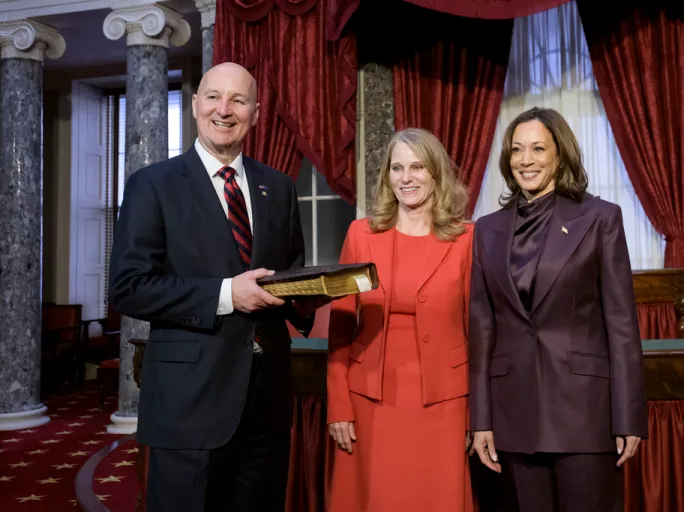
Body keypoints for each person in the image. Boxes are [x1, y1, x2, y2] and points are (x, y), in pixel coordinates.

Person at [109, 62, 324, 512]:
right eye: (213, 97)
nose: (224, 110)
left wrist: (312, 295)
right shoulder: (153, 184)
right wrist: (227, 294)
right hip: (188, 405)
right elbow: (129, 288)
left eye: (239, 100)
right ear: (194, 105)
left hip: (266, 406)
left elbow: (285, 276)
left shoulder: (279, 187)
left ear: (257, 113)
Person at [469, 107, 648, 512]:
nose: (525, 159)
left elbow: (621, 325)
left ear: (560, 155)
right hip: (513, 413)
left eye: (537, 148)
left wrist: (628, 418)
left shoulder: (601, 218)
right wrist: (480, 419)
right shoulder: (486, 229)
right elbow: (481, 328)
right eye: (517, 149)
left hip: (584, 413)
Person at [326, 128, 475, 511]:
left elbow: (480, 332)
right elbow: (341, 326)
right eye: (397, 168)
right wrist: (339, 404)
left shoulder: (467, 239)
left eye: (417, 167)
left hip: (444, 404)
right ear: (386, 176)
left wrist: (479, 413)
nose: (406, 178)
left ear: (436, 173)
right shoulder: (361, 235)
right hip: (369, 402)